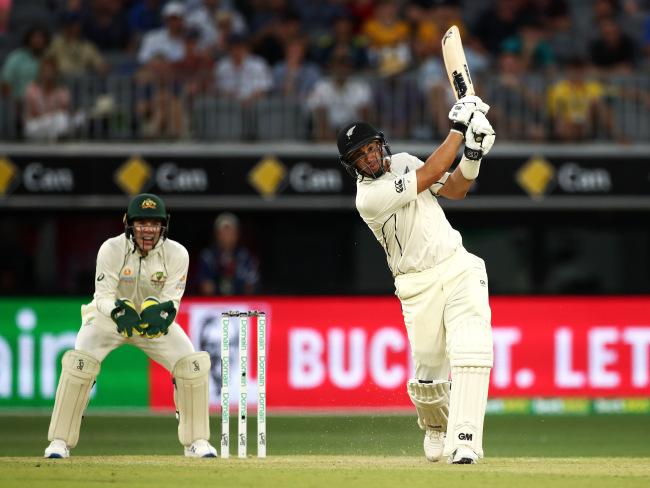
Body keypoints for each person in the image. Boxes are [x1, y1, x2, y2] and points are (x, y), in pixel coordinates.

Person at [336, 95, 496, 464]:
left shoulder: (405, 161)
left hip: (459, 267)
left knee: (472, 349)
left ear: (380, 144)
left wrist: (472, 155)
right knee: (429, 373)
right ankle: (436, 425)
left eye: (371, 149)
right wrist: (459, 129)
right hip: (416, 285)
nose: (369, 158)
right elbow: (428, 175)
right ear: (352, 166)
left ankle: (466, 441)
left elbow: (455, 189)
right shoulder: (369, 197)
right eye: (360, 156)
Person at [44, 193, 217, 459]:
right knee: (79, 365)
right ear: (129, 224)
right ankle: (59, 442)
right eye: (142, 223)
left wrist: (161, 315)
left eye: (154, 224)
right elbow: (102, 296)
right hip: (109, 319)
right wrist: (117, 311)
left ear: (163, 226)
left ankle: (197, 442)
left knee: (190, 364)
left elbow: (172, 301)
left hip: (150, 320)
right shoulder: (111, 249)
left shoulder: (177, 253)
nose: (148, 230)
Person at [197, 212, 260, 296]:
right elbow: (206, 287)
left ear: (237, 234)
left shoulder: (245, 256)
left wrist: (235, 281)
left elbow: (251, 286)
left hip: (240, 302)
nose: (227, 237)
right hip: (214, 304)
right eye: (223, 233)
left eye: (230, 232)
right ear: (217, 235)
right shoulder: (208, 256)